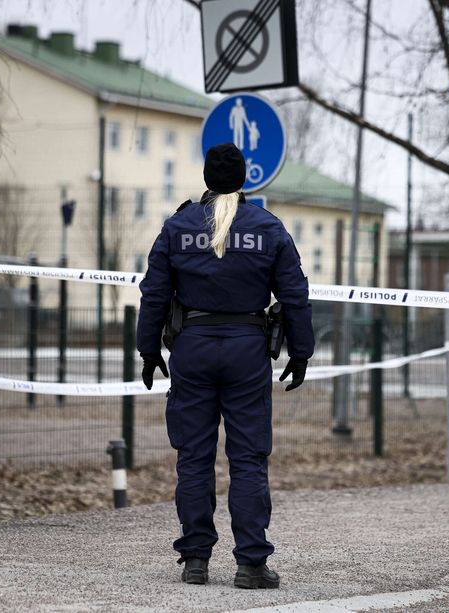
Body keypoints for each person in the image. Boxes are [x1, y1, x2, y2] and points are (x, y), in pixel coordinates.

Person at [136, 142, 314, 589]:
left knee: (193, 458)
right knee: (249, 458)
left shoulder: (177, 226)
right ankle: (251, 564)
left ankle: (196, 559)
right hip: (247, 351)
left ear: (206, 177)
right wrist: (302, 351)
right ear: (245, 178)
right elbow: (294, 294)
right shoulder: (267, 228)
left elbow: (154, 293)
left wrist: (148, 350)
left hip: (192, 349)